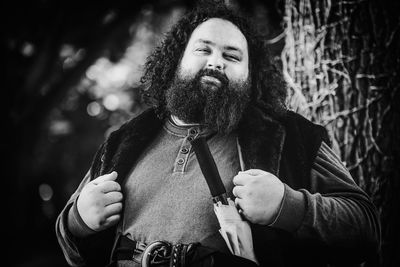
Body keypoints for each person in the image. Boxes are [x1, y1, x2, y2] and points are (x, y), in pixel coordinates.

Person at [55, 2, 380, 267]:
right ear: (177, 61)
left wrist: (288, 205)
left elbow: (365, 228)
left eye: (231, 55)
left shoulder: (291, 136)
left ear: (251, 76)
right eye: (203, 50)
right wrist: (78, 220)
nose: (216, 62)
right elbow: (68, 241)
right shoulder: (124, 139)